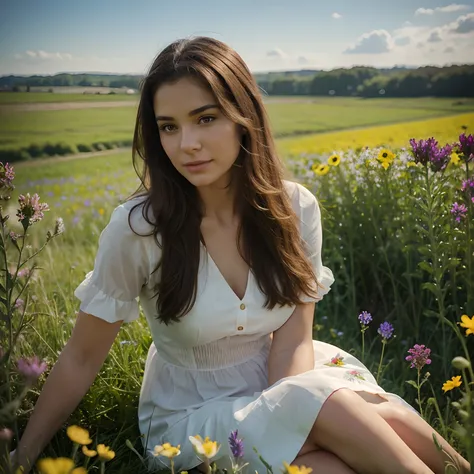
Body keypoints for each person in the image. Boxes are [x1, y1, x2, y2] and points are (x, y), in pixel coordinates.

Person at [12, 36, 470, 474]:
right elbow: (81, 357)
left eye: (205, 118)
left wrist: (284, 414)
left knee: (380, 426)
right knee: (348, 426)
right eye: (168, 126)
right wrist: (20, 457)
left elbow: (293, 340)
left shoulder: (295, 208)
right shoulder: (138, 230)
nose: (185, 143)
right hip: (191, 414)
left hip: (283, 376)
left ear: (243, 116)